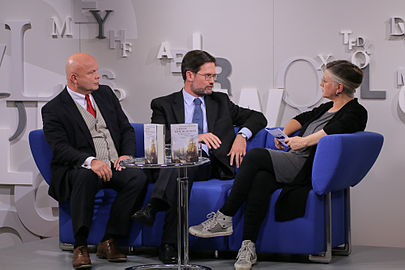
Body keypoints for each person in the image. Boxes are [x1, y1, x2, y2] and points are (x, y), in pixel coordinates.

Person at [188, 60, 368, 270]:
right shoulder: (328, 107)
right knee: (260, 180)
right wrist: (285, 133)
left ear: (338, 88)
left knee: (255, 155)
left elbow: (334, 132)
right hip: (295, 158)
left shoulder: (356, 112)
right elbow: (301, 118)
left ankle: (225, 216)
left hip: (306, 166)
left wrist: (303, 141)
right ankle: (248, 247)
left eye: (325, 81)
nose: (321, 84)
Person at [131, 50, 267, 263]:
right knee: (182, 166)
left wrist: (242, 135)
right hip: (175, 164)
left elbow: (258, 118)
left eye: (214, 76)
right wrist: (195, 137)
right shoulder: (163, 104)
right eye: (208, 76)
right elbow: (159, 134)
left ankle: (155, 209)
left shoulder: (221, 102)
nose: (213, 81)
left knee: (185, 165)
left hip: (210, 165)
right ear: (189, 75)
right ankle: (168, 240)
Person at [42, 53, 147, 269]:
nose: (98, 76)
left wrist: (125, 155)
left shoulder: (105, 94)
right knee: (86, 176)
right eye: (91, 73)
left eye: (97, 71)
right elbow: (60, 148)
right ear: (74, 78)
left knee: (137, 177)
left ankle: (109, 240)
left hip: (113, 163)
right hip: (80, 167)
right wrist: (90, 161)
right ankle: (80, 246)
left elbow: (126, 128)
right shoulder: (54, 109)